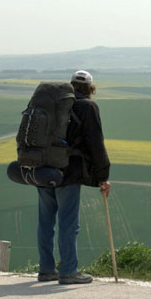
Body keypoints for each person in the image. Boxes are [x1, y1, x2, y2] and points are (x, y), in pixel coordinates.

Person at [36, 70, 111, 285]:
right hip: (68, 173)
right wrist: (103, 176)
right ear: (90, 88)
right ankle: (69, 271)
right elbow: (96, 144)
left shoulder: (54, 103)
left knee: (45, 222)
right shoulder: (88, 107)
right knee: (68, 224)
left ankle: (46, 270)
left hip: (42, 169)